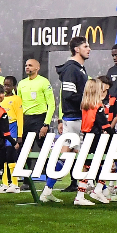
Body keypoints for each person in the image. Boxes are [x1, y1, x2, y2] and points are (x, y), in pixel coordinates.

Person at [42, 36, 90, 203]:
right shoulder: (71, 69)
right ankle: (84, 194)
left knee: (67, 157)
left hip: (74, 118)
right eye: (85, 46)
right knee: (84, 156)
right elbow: (69, 95)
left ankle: (47, 191)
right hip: (75, 118)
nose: (89, 49)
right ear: (76, 49)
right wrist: (88, 102)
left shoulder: (78, 68)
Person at [72, 78, 113, 206]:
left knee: (88, 166)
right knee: (107, 163)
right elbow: (105, 126)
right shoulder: (98, 107)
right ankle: (97, 190)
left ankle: (81, 195)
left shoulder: (85, 105)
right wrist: (115, 138)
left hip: (87, 137)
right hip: (96, 139)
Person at [17, 58, 55, 149]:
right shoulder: (21, 83)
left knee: (44, 149)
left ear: (37, 68)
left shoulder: (44, 82)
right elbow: (18, 105)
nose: (27, 67)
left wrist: (46, 124)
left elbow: (51, 104)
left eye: (30, 65)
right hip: (26, 119)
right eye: (26, 65)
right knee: (23, 149)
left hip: (40, 118)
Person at [0, 76, 23, 193]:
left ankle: (15, 184)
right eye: (5, 85)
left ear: (13, 87)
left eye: (8, 85)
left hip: (12, 129)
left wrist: (19, 135)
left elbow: (20, 117)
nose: (6, 87)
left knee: (11, 156)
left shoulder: (16, 99)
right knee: (3, 157)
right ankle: (4, 184)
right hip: (2, 130)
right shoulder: (0, 99)